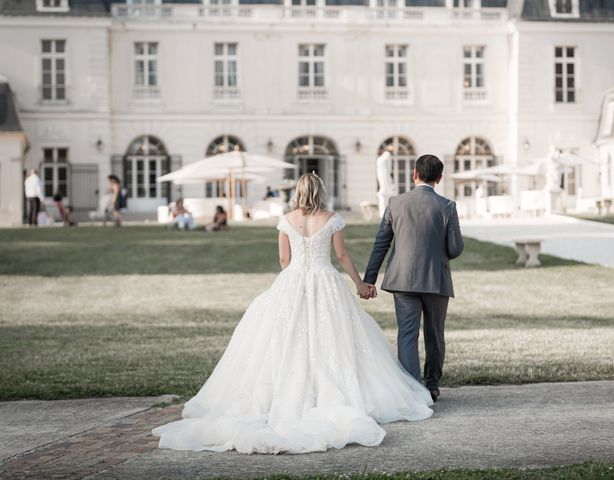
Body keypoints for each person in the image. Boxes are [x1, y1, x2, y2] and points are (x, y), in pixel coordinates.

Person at [152, 172, 433, 454]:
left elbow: (284, 260)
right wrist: (359, 284)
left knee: (285, 339)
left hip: (293, 280)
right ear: (320, 191)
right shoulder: (331, 218)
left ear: (298, 192)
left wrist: (295, 283)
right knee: (336, 339)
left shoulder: (286, 220)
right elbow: (342, 255)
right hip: (325, 280)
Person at [363, 154, 464, 402]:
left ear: (414, 174)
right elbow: (455, 248)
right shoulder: (447, 206)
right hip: (436, 280)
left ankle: (411, 389)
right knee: (435, 334)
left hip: (402, 280)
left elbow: (381, 244)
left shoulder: (395, 203)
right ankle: (431, 385)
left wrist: (370, 278)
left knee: (407, 334)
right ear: (439, 178)